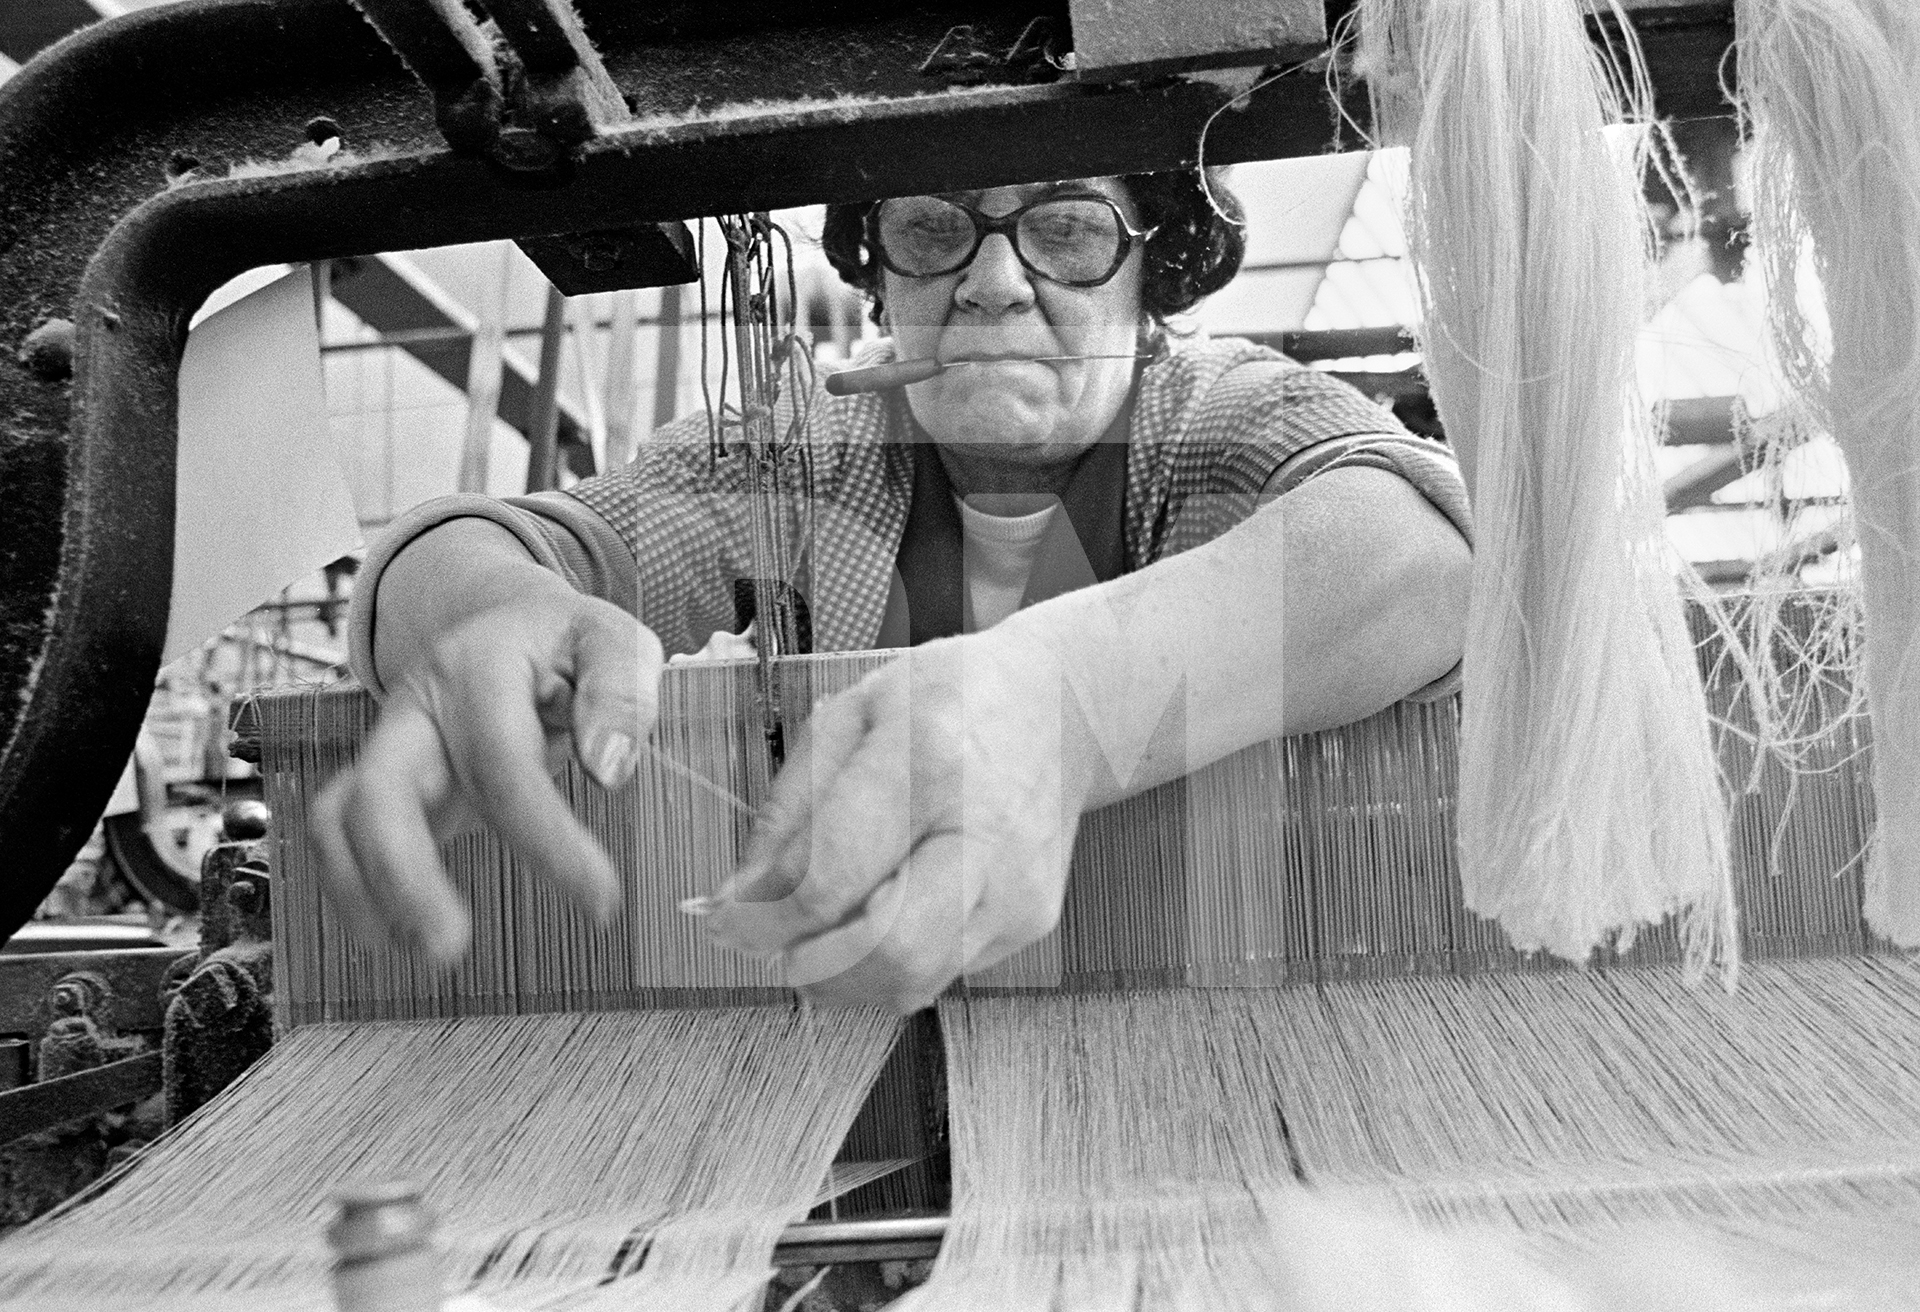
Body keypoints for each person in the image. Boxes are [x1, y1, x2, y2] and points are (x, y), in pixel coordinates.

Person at [313, 169, 1472, 1012]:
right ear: (881, 288)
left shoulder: (1218, 415)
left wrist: (1064, 706)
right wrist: (489, 612)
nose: (993, 286)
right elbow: (501, 549)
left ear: (1146, 285)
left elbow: (1426, 558)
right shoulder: (797, 456)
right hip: (862, 1032)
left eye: (1067, 231)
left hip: (1213, 1001)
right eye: (932, 229)